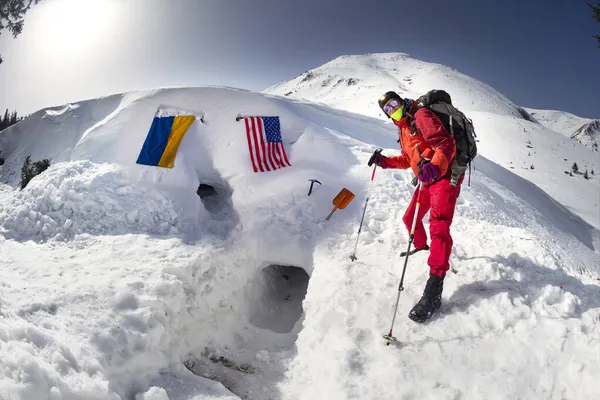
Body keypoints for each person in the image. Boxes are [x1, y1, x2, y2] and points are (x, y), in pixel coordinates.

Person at [369, 91, 464, 323]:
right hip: (427, 178)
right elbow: (407, 159)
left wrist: (435, 166)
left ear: (401, 101)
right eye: (387, 109)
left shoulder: (420, 115)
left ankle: (434, 290)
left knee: (439, 227)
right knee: (410, 218)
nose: (392, 109)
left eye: (393, 104)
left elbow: (445, 143)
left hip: (444, 176)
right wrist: (384, 162)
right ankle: (422, 248)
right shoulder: (402, 129)